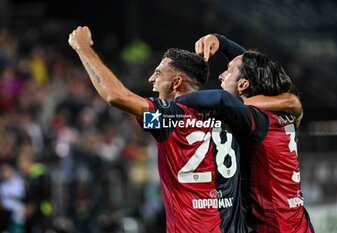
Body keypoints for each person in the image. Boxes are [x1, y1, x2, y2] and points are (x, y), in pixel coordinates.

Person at [68, 26, 300, 233]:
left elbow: (115, 96)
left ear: (177, 82)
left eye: (158, 73)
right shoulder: (239, 117)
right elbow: (265, 78)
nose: (151, 79)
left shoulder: (167, 118)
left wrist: (82, 48)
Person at [176, 34, 314, 233]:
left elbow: (222, 99)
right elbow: (260, 71)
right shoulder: (286, 113)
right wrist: (221, 42)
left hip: (272, 228)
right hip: (300, 224)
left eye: (228, 71)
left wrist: (168, 106)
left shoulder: (256, 119)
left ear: (243, 85)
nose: (221, 76)